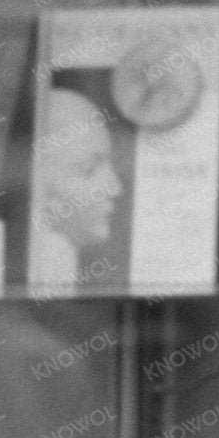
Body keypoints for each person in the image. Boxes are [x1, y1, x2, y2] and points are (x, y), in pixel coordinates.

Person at [27, 81, 127, 291]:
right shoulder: (51, 250)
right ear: (38, 186)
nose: (115, 188)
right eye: (89, 170)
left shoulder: (60, 255)